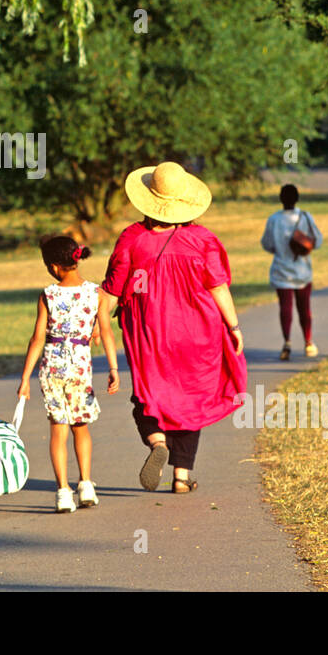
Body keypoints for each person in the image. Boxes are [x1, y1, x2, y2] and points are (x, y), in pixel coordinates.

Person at [98, 161, 247, 495]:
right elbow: (218, 287)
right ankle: (181, 477)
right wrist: (234, 326)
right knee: (191, 399)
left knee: (148, 396)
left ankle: (157, 441)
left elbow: (112, 289)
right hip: (198, 333)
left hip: (149, 334)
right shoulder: (202, 239)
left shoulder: (132, 238)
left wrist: (97, 321)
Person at [17, 236, 120, 513]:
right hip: (80, 367)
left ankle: (63, 491)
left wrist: (25, 377)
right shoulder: (96, 294)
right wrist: (113, 368)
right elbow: (107, 333)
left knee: (58, 430)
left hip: (51, 366)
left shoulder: (48, 295)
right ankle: (85, 484)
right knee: (81, 427)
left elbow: (37, 338)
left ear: (53, 266)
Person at [260, 184, 324, 360]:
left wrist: (280, 250)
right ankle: (308, 342)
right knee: (305, 308)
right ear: (297, 199)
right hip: (302, 270)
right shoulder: (305, 217)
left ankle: (287, 342)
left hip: (281, 270)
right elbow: (318, 241)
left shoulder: (273, 219)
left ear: (281, 199)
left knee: (285, 308)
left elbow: (266, 244)